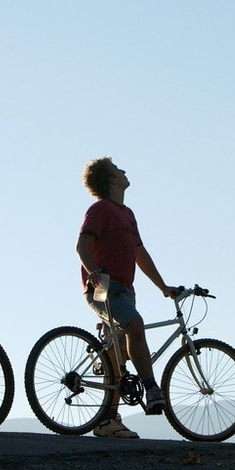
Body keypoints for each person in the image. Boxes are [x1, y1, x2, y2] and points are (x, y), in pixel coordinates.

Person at [76, 157, 179, 439]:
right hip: (104, 289)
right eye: (118, 169)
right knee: (135, 326)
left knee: (116, 353)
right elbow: (81, 245)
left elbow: (139, 253)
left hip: (125, 291)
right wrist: (93, 272)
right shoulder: (100, 210)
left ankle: (108, 420)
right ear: (110, 179)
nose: (124, 171)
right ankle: (151, 387)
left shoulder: (127, 214)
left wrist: (163, 286)